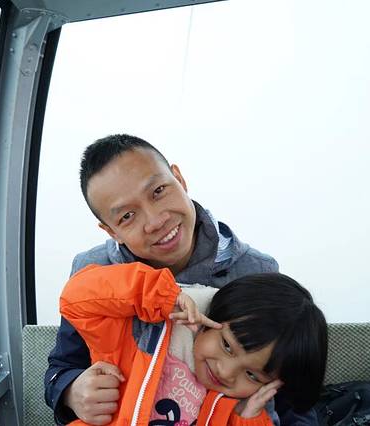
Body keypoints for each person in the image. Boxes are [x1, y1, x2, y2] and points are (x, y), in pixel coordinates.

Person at [44, 134, 313, 425]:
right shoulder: (92, 272)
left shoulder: (255, 270)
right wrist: (72, 391)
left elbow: (290, 396)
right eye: (127, 216)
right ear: (111, 232)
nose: (155, 221)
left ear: (179, 179)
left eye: (158, 191)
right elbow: (63, 366)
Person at [59, 262, 328, 425]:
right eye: (227, 346)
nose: (226, 372)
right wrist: (162, 297)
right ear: (211, 317)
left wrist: (248, 419)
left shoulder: (237, 407)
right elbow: (75, 297)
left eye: (251, 374)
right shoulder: (136, 337)